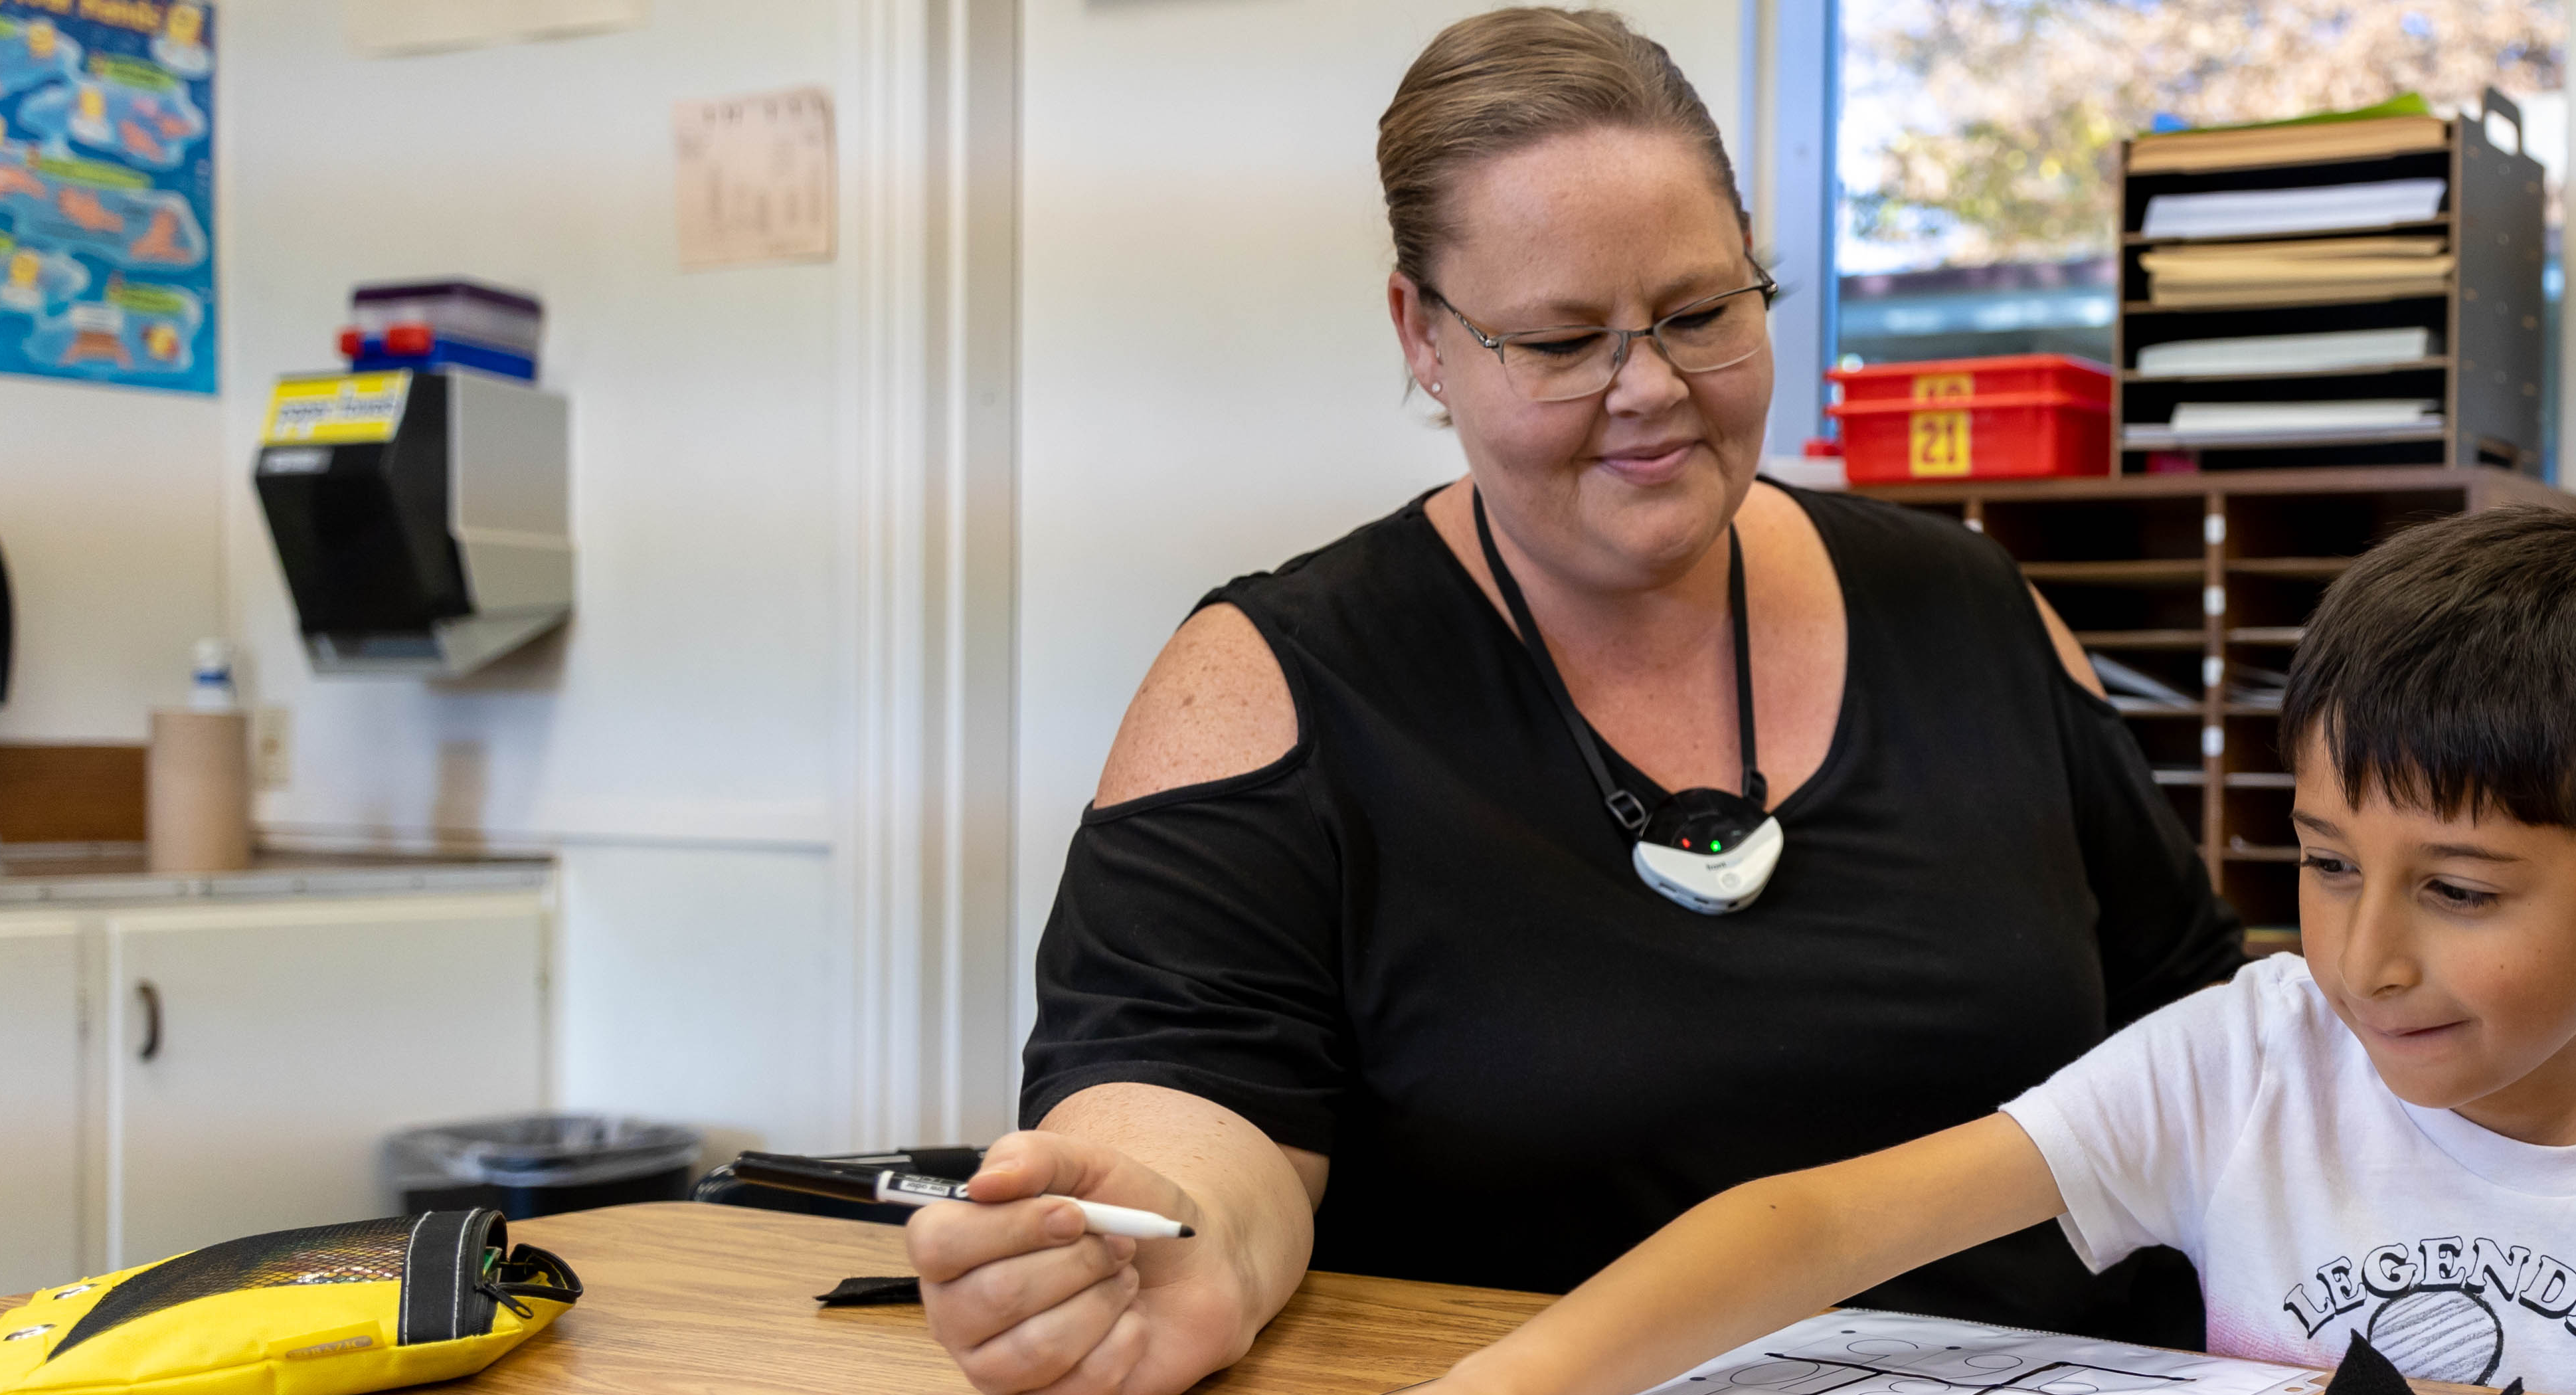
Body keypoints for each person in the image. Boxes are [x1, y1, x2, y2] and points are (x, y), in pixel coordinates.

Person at [904, 11, 2240, 1394]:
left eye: (1703, 314)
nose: (1651, 391)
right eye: (1557, 342)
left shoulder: (1974, 610)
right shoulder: (1274, 677)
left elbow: (2204, 1041)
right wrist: (1160, 1238)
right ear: (1423, 336)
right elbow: (1191, 1099)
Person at [1414, 509, 2576, 1395]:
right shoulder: (2253, 1054)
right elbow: (1820, 1231)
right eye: (2326, 866)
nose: (2365, 960)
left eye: (2458, 892)